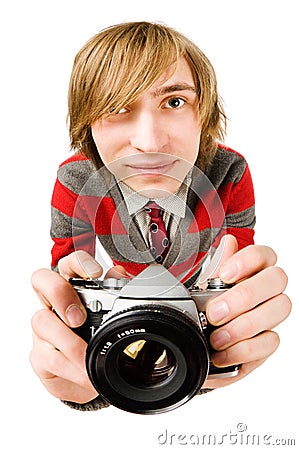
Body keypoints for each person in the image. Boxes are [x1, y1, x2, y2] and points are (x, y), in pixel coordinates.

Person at [30, 21, 291, 411]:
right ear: (87, 122)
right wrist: (83, 381)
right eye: (117, 108)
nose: (149, 143)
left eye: (174, 102)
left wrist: (221, 333)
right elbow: (67, 275)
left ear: (203, 113)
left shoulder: (229, 171)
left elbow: (235, 266)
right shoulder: (75, 179)